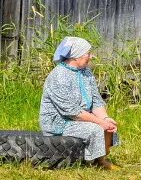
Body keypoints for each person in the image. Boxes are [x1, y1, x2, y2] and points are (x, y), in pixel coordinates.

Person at [40, 36, 119, 169]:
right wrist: (99, 122)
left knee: (109, 126)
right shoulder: (58, 76)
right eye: (88, 53)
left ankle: (101, 160)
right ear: (76, 57)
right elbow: (70, 111)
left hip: (81, 117)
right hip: (60, 122)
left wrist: (105, 118)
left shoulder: (86, 73)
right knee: (96, 128)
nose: (91, 56)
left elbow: (96, 100)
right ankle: (95, 163)